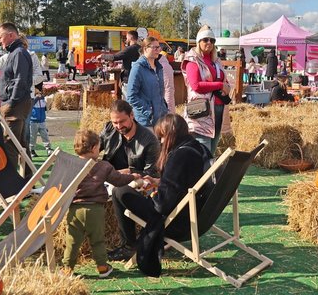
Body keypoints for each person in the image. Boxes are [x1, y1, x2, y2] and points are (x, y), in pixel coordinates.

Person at [111, 113, 213, 275]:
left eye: (163, 136)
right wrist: (159, 182)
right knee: (126, 189)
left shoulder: (179, 156)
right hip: (198, 213)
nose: (162, 141)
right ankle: (129, 245)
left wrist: (150, 193)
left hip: (179, 221)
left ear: (171, 135)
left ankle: (129, 245)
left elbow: (162, 205)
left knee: (120, 191)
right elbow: (184, 181)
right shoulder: (198, 147)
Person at [63, 129, 141, 278]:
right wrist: (133, 176)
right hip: (95, 209)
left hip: (75, 209)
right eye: (99, 147)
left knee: (72, 240)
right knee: (97, 240)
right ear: (93, 148)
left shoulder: (70, 165)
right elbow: (118, 180)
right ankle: (102, 267)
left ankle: (67, 268)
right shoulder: (103, 166)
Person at [182, 25, 230, 156]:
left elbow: (223, 80)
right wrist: (220, 85)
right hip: (201, 110)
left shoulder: (216, 61)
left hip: (218, 109)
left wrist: (226, 86)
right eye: (205, 40)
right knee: (204, 151)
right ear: (199, 41)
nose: (209, 43)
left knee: (211, 150)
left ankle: (209, 169)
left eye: (212, 40)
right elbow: (196, 85)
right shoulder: (192, 60)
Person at [0, 22, 34, 173]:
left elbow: (20, 80)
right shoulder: (16, 52)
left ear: (11, 35)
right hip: (16, 103)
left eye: (0, 37)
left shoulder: (18, 53)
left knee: (10, 143)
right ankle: (28, 178)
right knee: (20, 143)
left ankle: (11, 180)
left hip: (15, 105)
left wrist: (11, 102)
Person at [99, 99, 161, 178]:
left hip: (135, 182)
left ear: (132, 115)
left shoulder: (150, 141)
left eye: (122, 121)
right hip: (108, 178)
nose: (119, 126)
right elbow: (92, 147)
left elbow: (152, 173)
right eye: (115, 123)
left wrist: (130, 172)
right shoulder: (109, 129)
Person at [126, 36, 168, 127]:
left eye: (159, 47)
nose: (158, 50)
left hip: (160, 119)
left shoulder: (159, 67)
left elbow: (159, 92)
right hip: (145, 121)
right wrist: (148, 111)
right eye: (155, 47)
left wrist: (164, 108)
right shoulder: (138, 68)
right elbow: (131, 96)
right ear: (145, 49)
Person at [28, 83, 53, 156]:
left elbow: (44, 107)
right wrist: (36, 98)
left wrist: (48, 104)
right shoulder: (32, 97)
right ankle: (31, 149)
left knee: (45, 135)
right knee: (32, 136)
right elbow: (31, 105)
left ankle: (48, 148)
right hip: (33, 121)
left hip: (42, 120)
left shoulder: (42, 98)